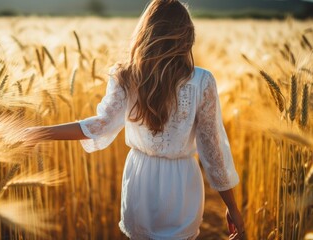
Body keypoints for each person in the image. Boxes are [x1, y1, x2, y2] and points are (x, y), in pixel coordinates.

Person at [24, 0, 245, 239]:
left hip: (141, 177)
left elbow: (99, 125)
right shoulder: (202, 80)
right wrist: (232, 206)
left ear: (146, 33)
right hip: (182, 183)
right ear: (187, 36)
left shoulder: (126, 75)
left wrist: (37, 132)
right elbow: (213, 150)